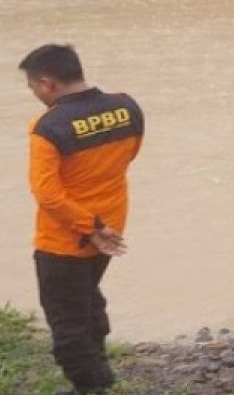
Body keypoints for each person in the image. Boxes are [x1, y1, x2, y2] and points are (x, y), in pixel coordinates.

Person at [21, 44, 144, 395]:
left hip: (64, 241)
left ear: (47, 83)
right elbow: (127, 158)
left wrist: (89, 227)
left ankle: (92, 387)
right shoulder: (127, 108)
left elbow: (47, 194)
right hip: (111, 231)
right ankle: (101, 371)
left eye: (33, 88)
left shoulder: (47, 127)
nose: (36, 96)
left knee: (68, 326)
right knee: (88, 299)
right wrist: (101, 227)